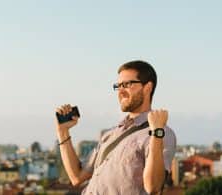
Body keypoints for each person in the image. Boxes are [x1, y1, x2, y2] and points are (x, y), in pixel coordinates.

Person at [54, 60, 177, 195]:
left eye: (127, 84)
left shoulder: (162, 133)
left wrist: (156, 132)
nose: (120, 91)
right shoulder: (110, 134)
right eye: (118, 86)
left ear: (147, 87)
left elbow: (153, 187)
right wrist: (63, 131)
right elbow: (76, 177)